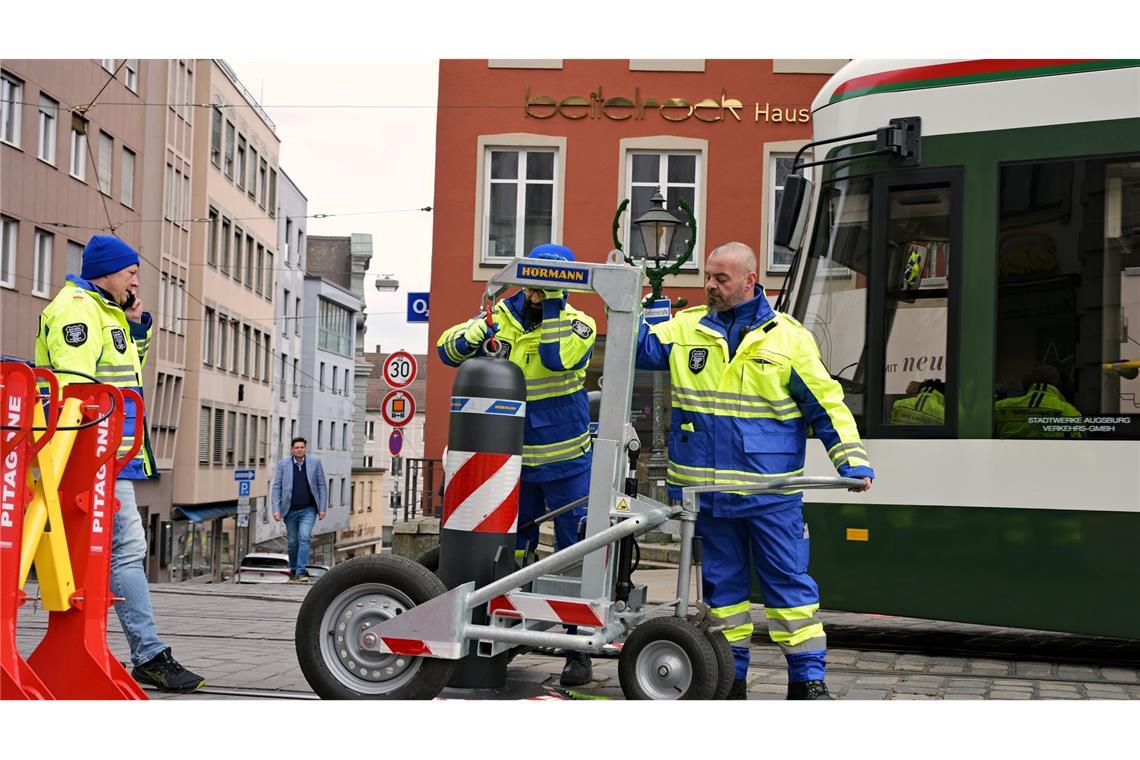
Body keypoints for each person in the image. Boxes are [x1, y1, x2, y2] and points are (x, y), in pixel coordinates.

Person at [636, 241, 874, 700]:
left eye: (720, 279)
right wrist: (642, 305)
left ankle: (807, 681)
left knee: (790, 589)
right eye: (707, 276)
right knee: (725, 596)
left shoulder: (789, 338)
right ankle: (730, 678)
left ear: (750, 280)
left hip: (771, 494)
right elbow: (639, 351)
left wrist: (852, 459)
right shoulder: (684, 329)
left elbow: (827, 406)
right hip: (708, 494)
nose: (710, 286)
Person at [35, 234, 206, 693]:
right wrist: (88, 455)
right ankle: (148, 654)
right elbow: (77, 389)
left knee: (114, 551)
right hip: (92, 454)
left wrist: (135, 327)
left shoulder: (105, 311)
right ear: (107, 272)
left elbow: (128, 375)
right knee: (125, 549)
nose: (136, 278)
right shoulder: (77, 309)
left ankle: (134, 651)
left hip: (109, 454)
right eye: (130, 271)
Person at [437, 243, 597, 687]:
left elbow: (556, 358)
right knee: (509, 553)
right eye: (534, 280)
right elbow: (446, 350)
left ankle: (576, 646)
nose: (537, 290)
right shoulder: (497, 316)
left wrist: (555, 308)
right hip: (510, 465)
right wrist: (472, 337)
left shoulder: (579, 324)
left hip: (567, 462)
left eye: (549, 281)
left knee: (574, 555)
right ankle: (502, 638)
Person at [270, 437, 328, 582]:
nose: (299, 449)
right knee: (292, 542)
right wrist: (276, 509)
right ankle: (294, 569)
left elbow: (322, 486)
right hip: (289, 510)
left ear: (305, 449)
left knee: (304, 537)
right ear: (292, 450)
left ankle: (301, 572)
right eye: (296, 447)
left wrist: (322, 508)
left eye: (302, 447)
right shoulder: (283, 465)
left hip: (308, 509)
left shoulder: (315, 463)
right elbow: (277, 487)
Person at [994, 364, 1082, 438]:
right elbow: (1078, 442)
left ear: (1026, 383)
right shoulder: (1067, 410)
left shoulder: (1000, 406)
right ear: (1057, 384)